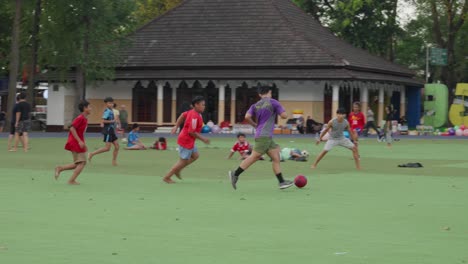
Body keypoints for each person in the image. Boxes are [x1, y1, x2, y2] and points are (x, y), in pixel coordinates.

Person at [228, 86, 294, 190]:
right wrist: (282, 111)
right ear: (270, 92)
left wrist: (255, 125)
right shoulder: (273, 102)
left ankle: (281, 182)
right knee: (254, 157)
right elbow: (284, 116)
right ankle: (235, 174)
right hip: (264, 136)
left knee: (276, 158)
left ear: (260, 94)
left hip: (262, 134)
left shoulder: (255, 105)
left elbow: (247, 117)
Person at [163, 96, 210, 183]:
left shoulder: (192, 112)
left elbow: (182, 115)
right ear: (196, 105)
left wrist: (176, 126)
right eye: (202, 105)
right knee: (183, 161)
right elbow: (191, 132)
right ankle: (167, 177)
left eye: (204, 105)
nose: (204, 106)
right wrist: (203, 139)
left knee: (195, 156)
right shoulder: (194, 117)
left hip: (189, 140)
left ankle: (178, 169)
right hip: (186, 140)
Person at [54, 100, 91, 185]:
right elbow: (72, 128)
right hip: (74, 142)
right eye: (89, 107)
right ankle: (71, 180)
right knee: (82, 162)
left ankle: (60, 168)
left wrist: (83, 143)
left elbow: (80, 132)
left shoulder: (84, 119)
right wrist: (79, 141)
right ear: (85, 108)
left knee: (77, 163)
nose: (91, 109)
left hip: (76, 142)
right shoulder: (80, 118)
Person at [88, 97, 120, 166]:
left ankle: (114, 161)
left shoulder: (111, 110)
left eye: (112, 103)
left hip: (111, 130)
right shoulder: (107, 111)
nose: (111, 104)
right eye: (109, 103)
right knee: (107, 148)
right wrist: (112, 121)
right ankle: (92, 154)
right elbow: (103, 120)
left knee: (117, 146)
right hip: (108, 130)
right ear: (106, 104)